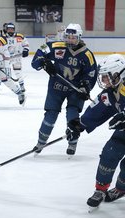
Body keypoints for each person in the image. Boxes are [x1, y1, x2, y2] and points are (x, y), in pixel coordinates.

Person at [66, 54, 125, 208]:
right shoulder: (112, 91)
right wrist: (80, 125)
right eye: (103, 77)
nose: (104, 81)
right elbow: (98, 109)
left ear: (118, 74)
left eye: (106, 77)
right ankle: (100, 190)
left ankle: (121, 188)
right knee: (109, 153)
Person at [31, 23, 97, 156]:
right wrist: (44, 63)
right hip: (56, 87)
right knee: (50, 114)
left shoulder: (87, 55)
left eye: (73, 37)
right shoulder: (57, 47)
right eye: (67, 37)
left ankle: (73, 143)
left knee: (72, 115)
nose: (70, 40)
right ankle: (41, 142)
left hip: (75, 90)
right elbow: (38, 55)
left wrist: (85, 87)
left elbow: (91, 74)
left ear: (79, 37)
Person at [0, 22, 29, 93]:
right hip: (6, 58)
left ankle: (22, 86)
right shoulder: (2, 37)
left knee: (18, 72)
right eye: (9, 29)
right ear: (6, 29)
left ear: (14, 29)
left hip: (16, 57)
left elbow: (25, 43)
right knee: (2, 72)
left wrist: (26, 50)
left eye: (12, 29)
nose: (10, 30)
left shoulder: (19, 36)